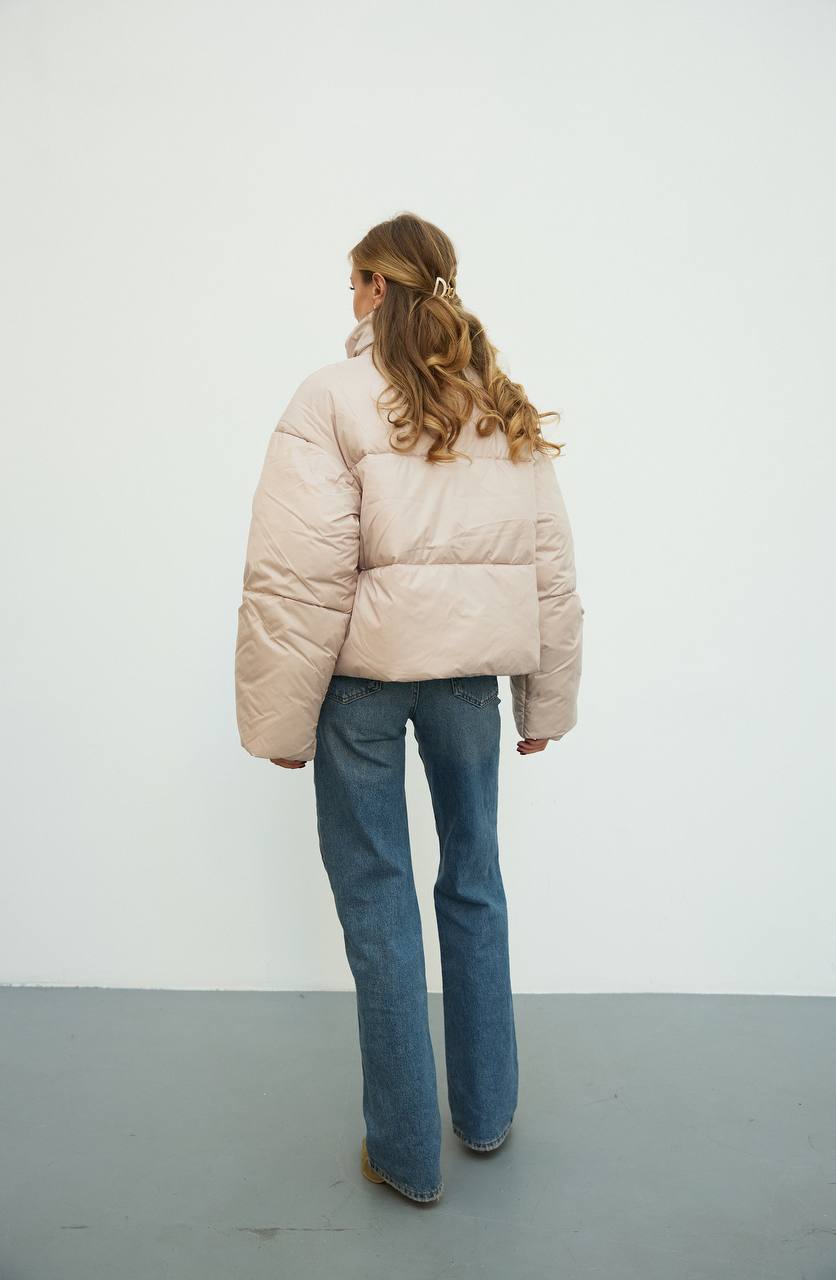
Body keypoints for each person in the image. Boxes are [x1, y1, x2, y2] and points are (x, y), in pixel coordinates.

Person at [234, 212, 584, 1204]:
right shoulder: (495, 401)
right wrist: (543, 698)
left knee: (380, 900)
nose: (349, 300)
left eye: (354, 282)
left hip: (362, 686)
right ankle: (485, 1115)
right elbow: (548, 565)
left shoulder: (330, 398)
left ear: (376, 288)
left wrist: (281, 722)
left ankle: (401, 1150)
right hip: (472, 678)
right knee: (474, 880)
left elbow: (298, 575)